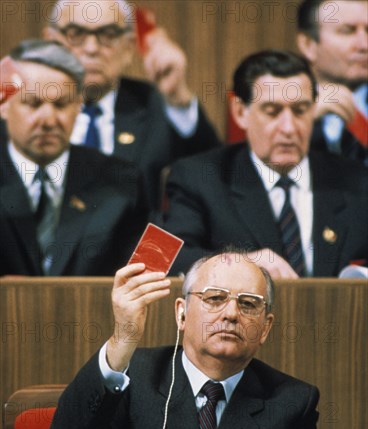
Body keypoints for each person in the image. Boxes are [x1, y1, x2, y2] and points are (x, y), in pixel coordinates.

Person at [49, 251, 325, 429]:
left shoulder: (290, 400)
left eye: (249, 304)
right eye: (215, 298)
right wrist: (122, 340)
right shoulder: (130, 375)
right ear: (182, 313)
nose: (231, 314)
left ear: (265, 328)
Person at [163, 49, 368, 278]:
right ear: (241, 112)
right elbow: (160, 257)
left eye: (300, 111)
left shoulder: (357, 182)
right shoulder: (198, 177)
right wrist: (236, 263)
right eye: (272, 112)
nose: (289, 128)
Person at [43, 0, 220, 213]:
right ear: (51, 42)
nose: (91, 48)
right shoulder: (26, 110)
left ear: (128, 47)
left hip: (135, 244)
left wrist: (177, 98)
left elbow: (211, 172)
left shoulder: (153, 105)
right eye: (76, 34)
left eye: (107, 35)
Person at [0, 39, 148, 276]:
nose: (48, 120)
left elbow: (144, 274)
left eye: (61, 104)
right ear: (4, 105)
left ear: (79, 105)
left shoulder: (121, 180)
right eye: (33, 103)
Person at [297, 0, 368, 164]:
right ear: (308, 45)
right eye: (347, 31)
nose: (364, 45)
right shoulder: (275, 107)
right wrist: (301, 118)